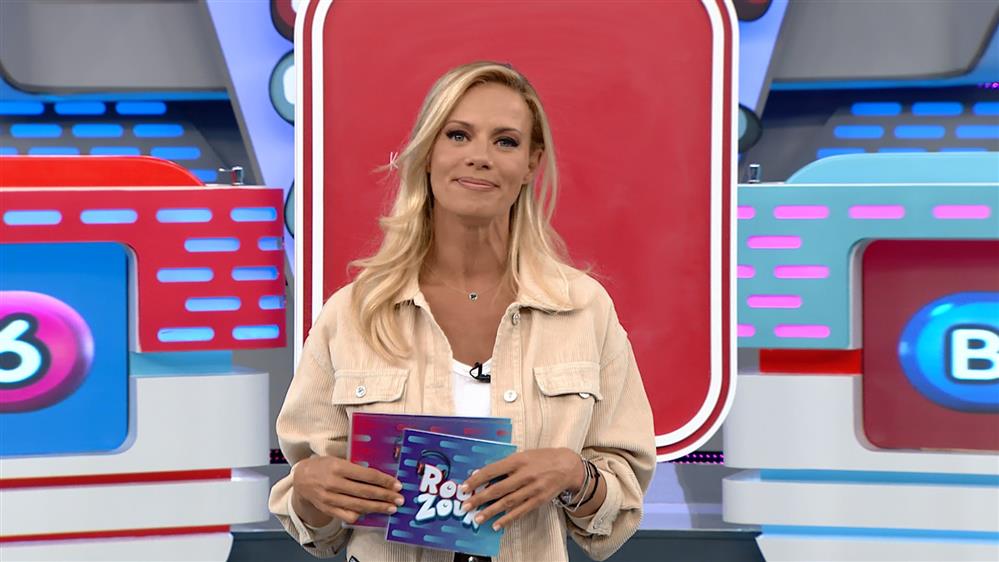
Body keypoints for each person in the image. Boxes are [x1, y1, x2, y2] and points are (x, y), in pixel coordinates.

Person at [269, 61, 655, 562]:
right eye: (458, 135)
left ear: (531, 164)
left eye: (505, 141)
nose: (480, 157)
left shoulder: (584, 309)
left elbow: (618, 513)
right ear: (428, 153)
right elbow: (315, 528)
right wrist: (308, 490)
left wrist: (572, 474)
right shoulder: (352, 314)